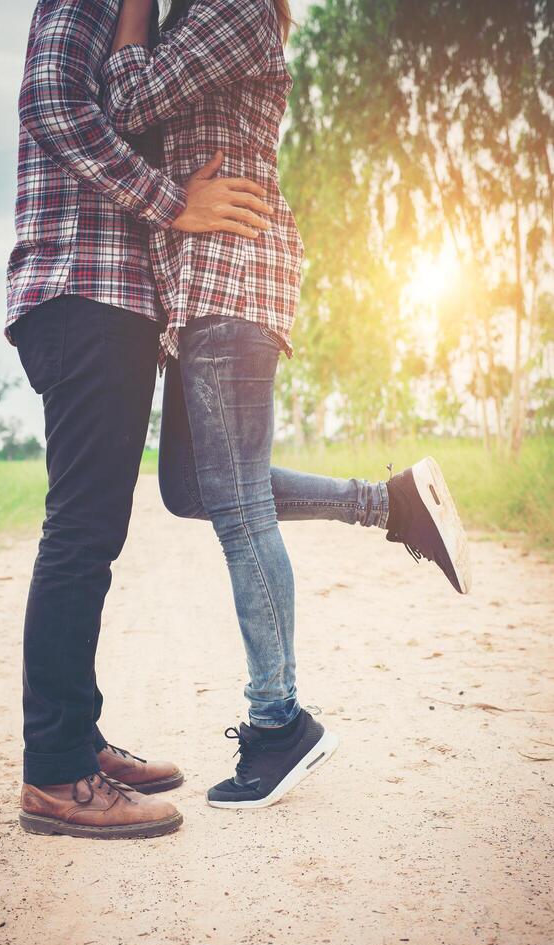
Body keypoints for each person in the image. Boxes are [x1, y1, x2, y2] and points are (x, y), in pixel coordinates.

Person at [100, 0, 472, 810]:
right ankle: (392, 503)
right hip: (201, 292)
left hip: (233, 282)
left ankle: (279, 724)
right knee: (192, 490)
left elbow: (124, 101)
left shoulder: (233, 8)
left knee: (237, 511)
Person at [7, 0, 276, 840]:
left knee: (95, 535)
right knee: (81, 535)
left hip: (111, 303)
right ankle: (55, 775)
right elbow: (52, 104)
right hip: (81, 292)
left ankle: (76, 742)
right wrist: (172, 201)